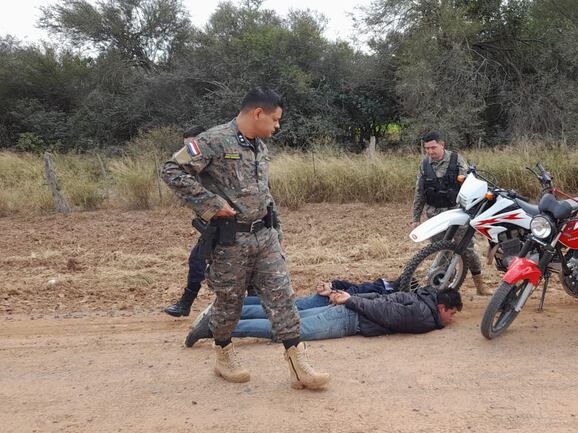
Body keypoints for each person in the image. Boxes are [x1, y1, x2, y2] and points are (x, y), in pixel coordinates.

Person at [162, 88, 329, 389]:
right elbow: (172, 169)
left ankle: (298, 363)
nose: (277, 126)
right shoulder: (212, 140)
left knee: (282, 295)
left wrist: (276, 230)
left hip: (264, 236)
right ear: (257, 113)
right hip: (230, 242)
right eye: (275, 119)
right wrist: (210, 204)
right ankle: (223, 352)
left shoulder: (260, 146)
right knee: (230, 303)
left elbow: (264, 190)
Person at [185, 285, 463, 347]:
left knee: (287, 317)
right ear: (443, 308)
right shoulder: (426, 317)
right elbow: (385, 312)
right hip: (348, 319)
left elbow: (380, 299)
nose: (451, 320)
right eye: (452, 314)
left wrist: (347, 296)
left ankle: (222, 317)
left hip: (348, 310)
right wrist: (350, 299)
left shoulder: (418, 296)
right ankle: (215, 327)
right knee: (285, 330)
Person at [410, 131, 491, 295]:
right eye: (427, 149)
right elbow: (420, 192)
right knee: (440, 250)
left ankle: (480, 285)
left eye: (433, 147)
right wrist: (415, 218)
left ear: (442, 145)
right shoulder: (424, 165)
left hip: (458, 214)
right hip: (435, 215)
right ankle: (442, 288)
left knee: (467, 250)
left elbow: (470, 184)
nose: (430, 152)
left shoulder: (456, 160)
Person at [164, 125, 208, 317]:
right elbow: (173, 168)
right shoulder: (193, 166)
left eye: (190, 145)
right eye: (185, 146)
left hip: (231, 224)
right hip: (211, 226)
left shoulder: (212, 156)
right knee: (197, 261)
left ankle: (253, 308)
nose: (187, 151)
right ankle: (185, 304)